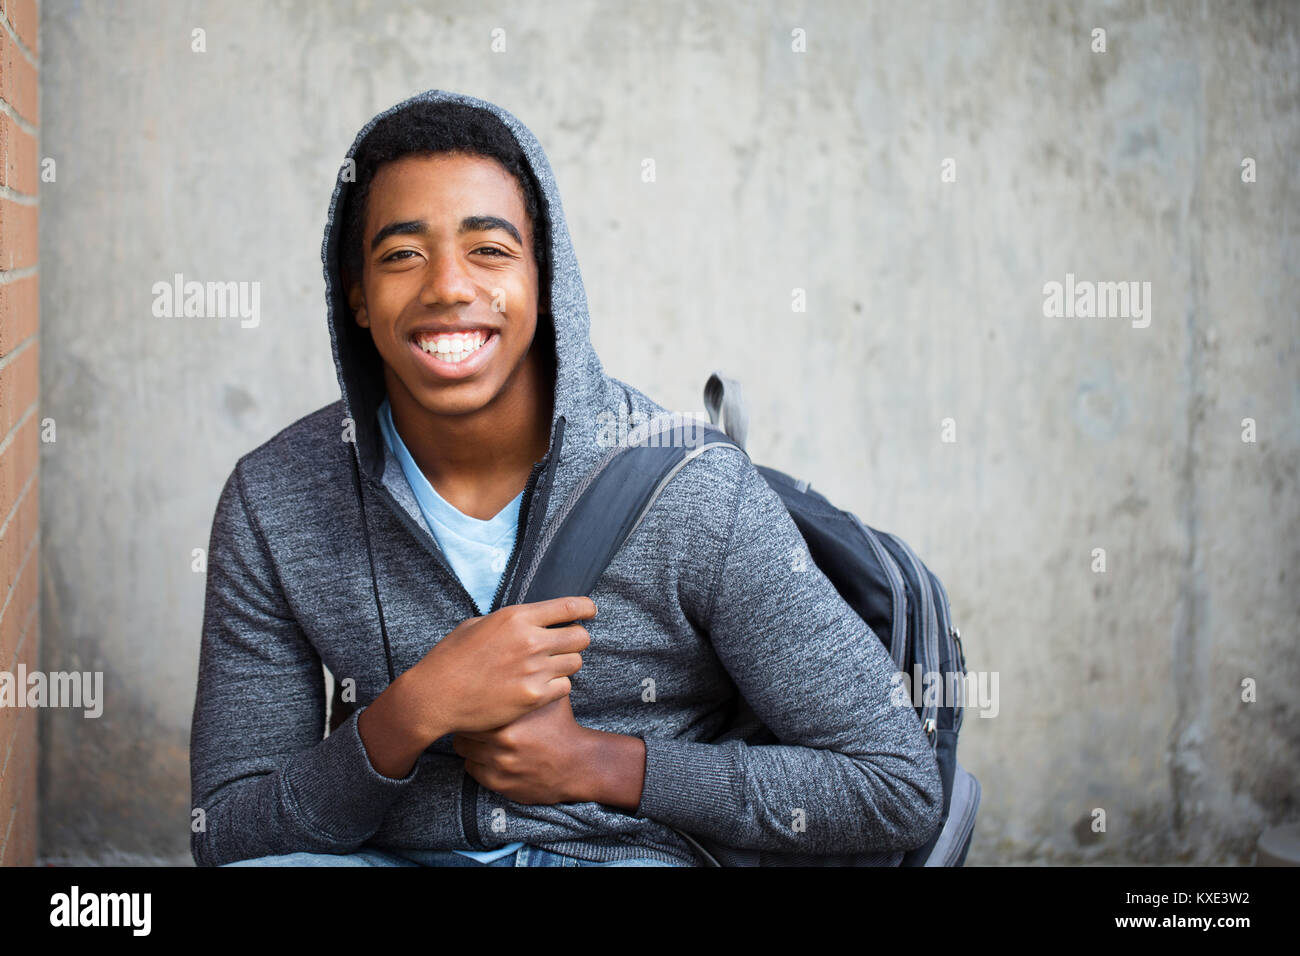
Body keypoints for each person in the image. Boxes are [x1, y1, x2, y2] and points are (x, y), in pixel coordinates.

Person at [189, 89, 944, 867]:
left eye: (489, 249)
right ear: (356, 295)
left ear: (545, 279)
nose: (447, 285)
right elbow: (231, 834)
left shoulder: (695, 493)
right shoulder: (275, 500)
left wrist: (604, 764)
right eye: (402, 254)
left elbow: (895, 788)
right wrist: (408, 714)